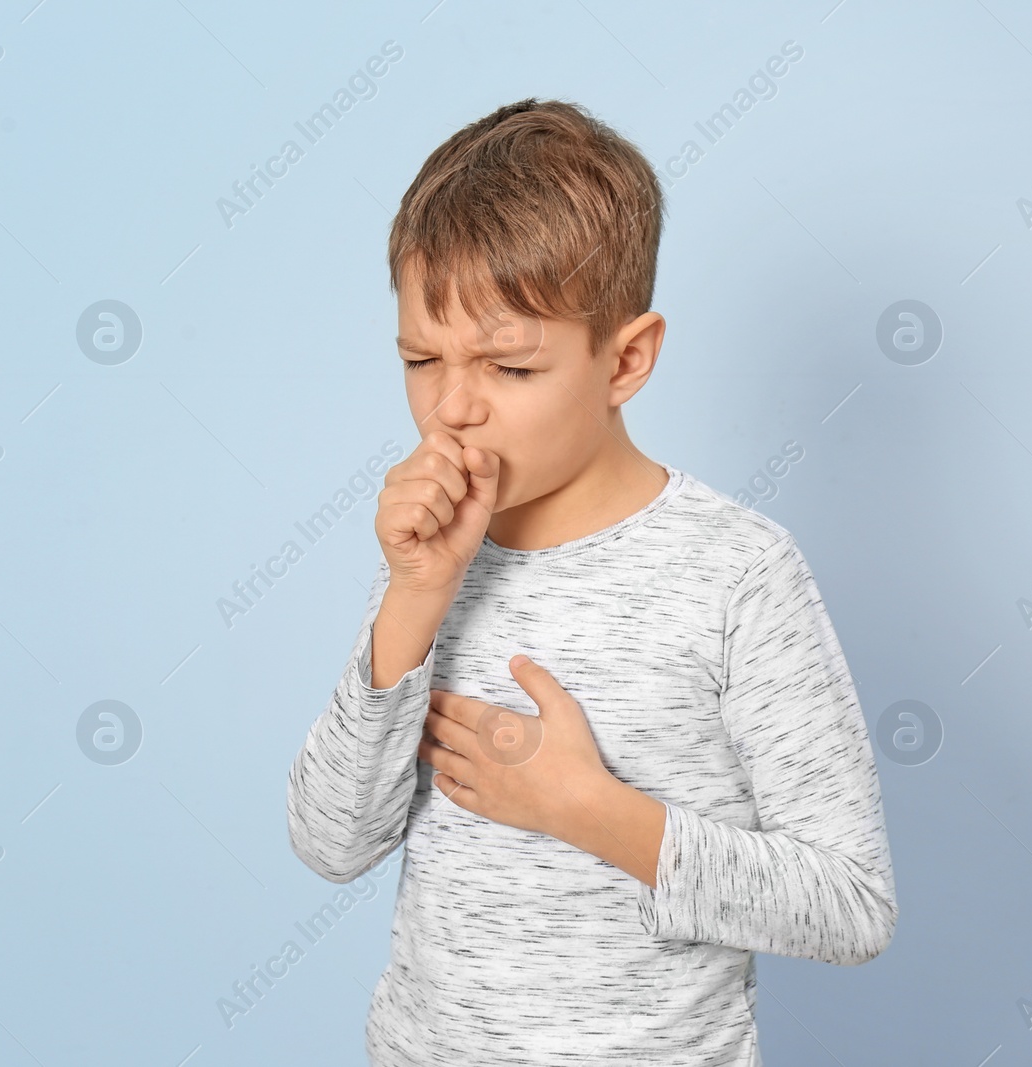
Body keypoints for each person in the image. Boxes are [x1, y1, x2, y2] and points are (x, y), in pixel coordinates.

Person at [284, 97, 896, 1066]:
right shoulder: (432, 551)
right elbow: (331, 840)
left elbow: (850, 902)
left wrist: (588, 808)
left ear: (626, 359)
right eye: (418, 358)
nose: (451, 407)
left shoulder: (737, 573)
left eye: (510, 367)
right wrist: (411, 596)